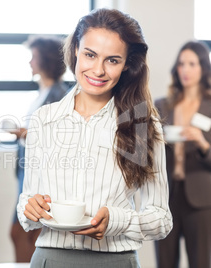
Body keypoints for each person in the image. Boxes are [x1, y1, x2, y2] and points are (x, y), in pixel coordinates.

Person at [16, 8, 173, 267]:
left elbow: (162, 219)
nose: (98, 70)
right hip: (50, 259)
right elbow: (28, 202)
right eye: (90, 55)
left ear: (126, 65)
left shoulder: (142, 124)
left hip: (116, 261)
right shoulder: (44, 120)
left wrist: (117, 221)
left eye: (112, 60)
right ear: (76, 49)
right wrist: (29, 208)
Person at [9, 35, 68, 262]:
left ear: (46, 61)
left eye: (34, 57)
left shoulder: (58, 94)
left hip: (41, 175)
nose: (30, 62)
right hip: (27, 171)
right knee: (21, 233)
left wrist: (26, 133)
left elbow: (58, 137)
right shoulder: (43, 93)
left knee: (24, 233)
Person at [155, 41, 211, 268]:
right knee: (165, 263)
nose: (185, 70)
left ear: (203, 68)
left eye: (192, 64)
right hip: (167, 196)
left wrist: (201, 142)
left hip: (201, 200)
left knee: (200, 262)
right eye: (181, 64)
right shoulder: (163, 105)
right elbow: (148, 152)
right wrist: (157, 140)